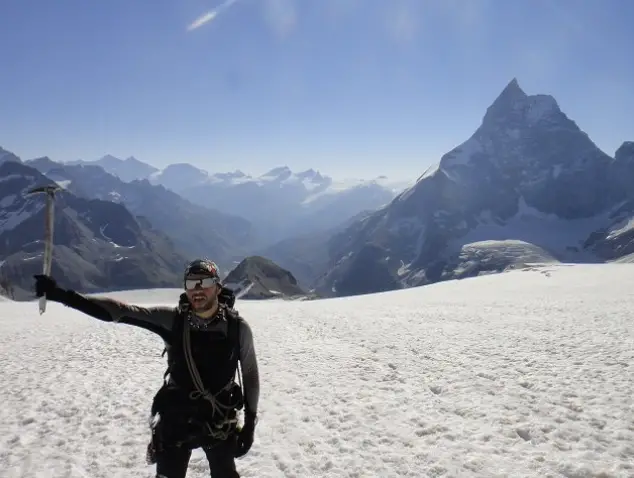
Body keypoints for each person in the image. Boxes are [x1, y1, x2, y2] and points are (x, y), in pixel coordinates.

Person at [33, 258, 259, 478]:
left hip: (218, 419)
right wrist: (62, 295)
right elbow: (121, 311)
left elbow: (249, 374)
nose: (197, 290)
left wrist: (250, 424)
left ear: (218, 287)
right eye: (191, 283)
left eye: (205, 283)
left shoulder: (237, 328)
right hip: (177, 418)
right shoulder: (172, 320)